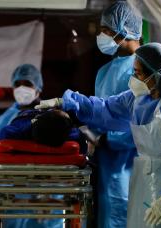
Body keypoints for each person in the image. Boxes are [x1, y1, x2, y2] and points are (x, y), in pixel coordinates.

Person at [35, 43, 161, 227]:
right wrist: (65, 102)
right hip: (145, 186)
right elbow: (104, 108)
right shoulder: (136, 101)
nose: (133, 78)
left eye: (138, 73)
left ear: (156, 75)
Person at [60, 2, 142, 227]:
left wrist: (110, 138)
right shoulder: (104, 73)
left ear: (125, 28)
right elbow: (100, 114)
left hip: (134, 166)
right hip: (105, 165)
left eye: (106, 29)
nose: (101, 35)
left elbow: (146, 124)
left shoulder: (144, 68)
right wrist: (88, 132)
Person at [0, 63, 43, 134]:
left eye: (27, 84)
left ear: (37, 88)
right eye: (17, 84)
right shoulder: (12, 111)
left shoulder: (44, 115)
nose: (21, 88)